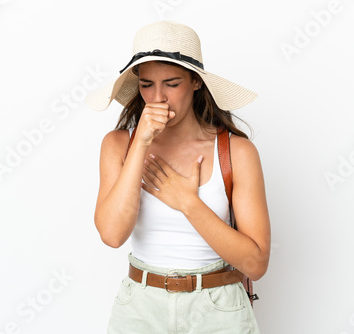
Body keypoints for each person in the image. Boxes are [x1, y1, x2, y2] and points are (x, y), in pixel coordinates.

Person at [85, 20, 271, 333]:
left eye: (172, 83)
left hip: (218, 308)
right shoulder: (119, 145)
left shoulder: (236, 152)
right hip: (141, 309)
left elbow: (255, 264)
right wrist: (141, 142)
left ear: (196, 82)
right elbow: (112, 235)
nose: (158, 98)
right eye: (147, 85)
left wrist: (187, 202)